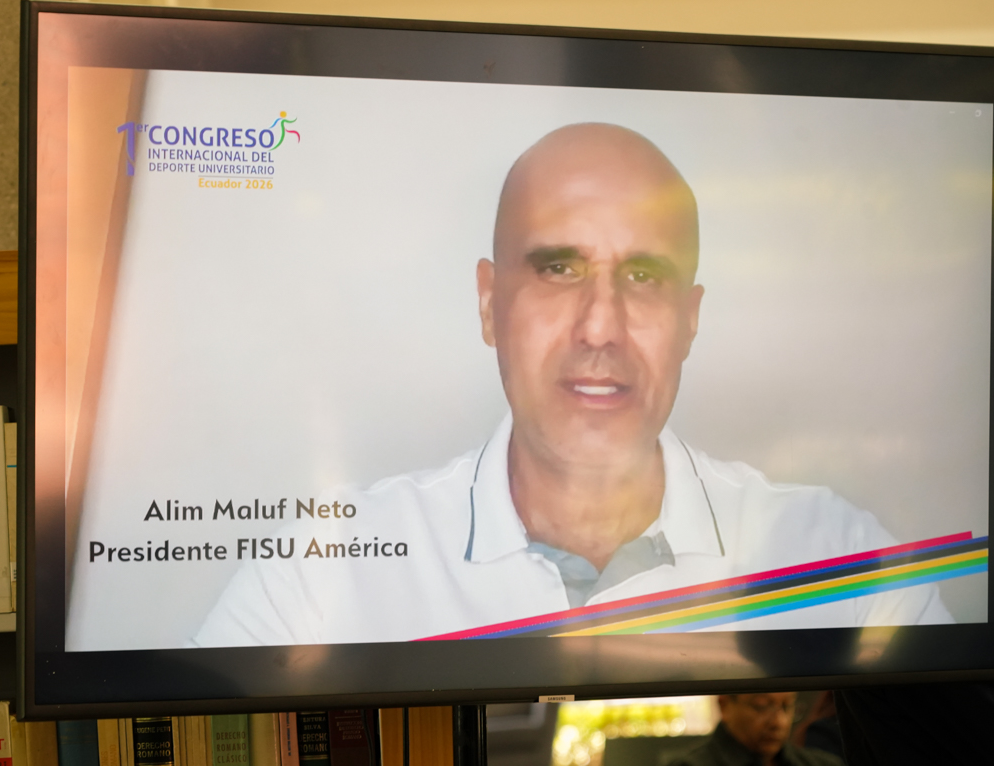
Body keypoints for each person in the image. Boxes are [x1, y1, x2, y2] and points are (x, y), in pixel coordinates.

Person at [192, 123, 951, 647]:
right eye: (558, 268)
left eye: (644, 277)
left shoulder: (848, 567)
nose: (599, 328)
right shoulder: (316, 576)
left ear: (690, 322)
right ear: (489, 304)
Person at [671, 694, 842, 766]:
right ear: (724, 706)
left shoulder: (823, 764)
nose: (779, 722)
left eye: (787, 706)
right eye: (762, 706)